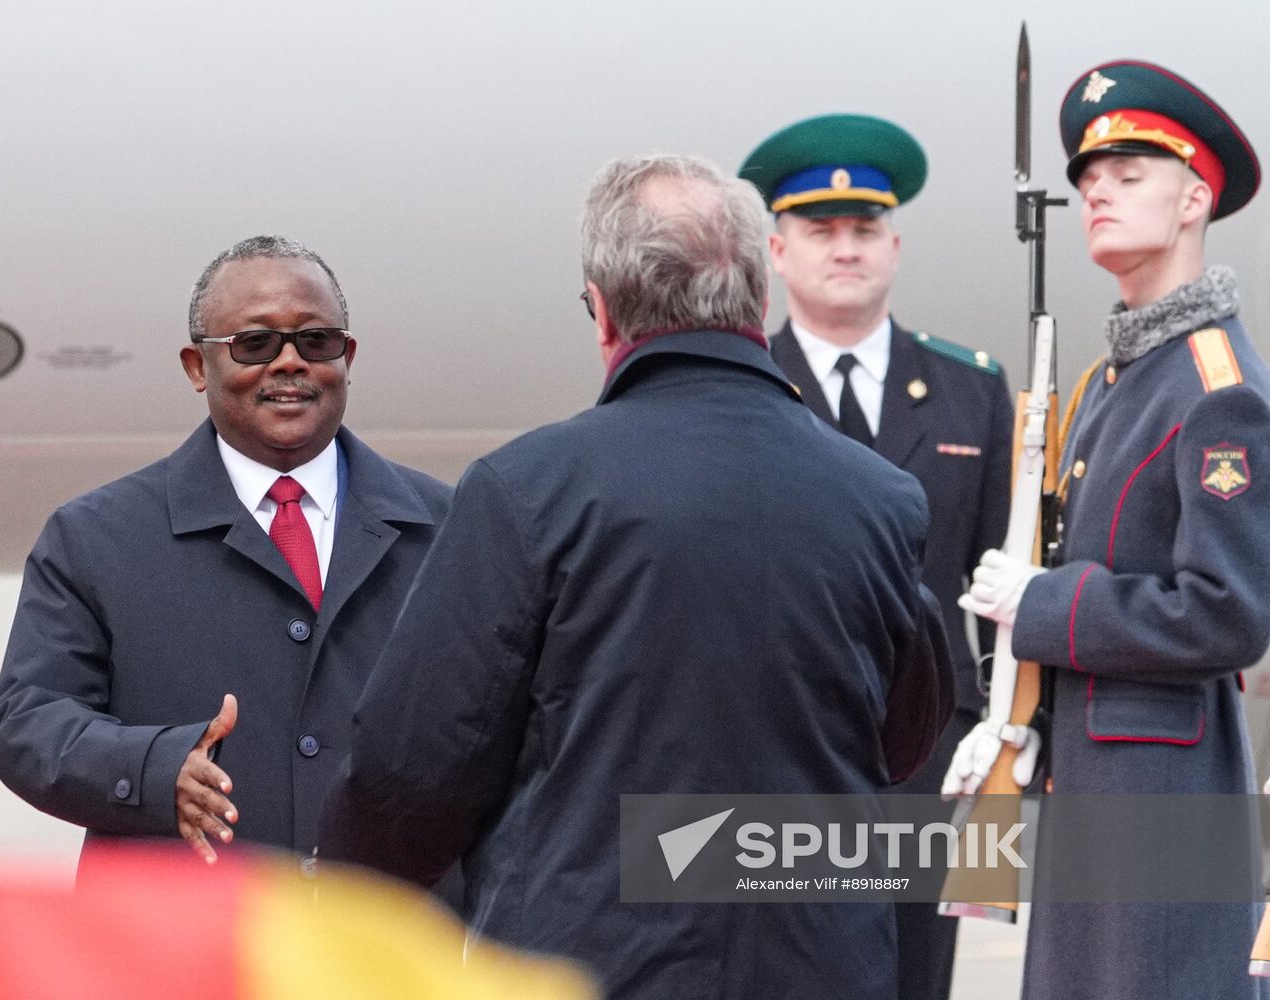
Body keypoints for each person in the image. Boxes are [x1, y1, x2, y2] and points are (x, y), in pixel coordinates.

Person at [317, 154, 953, 999]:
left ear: (603, 311)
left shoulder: (527, 489)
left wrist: (346, 907)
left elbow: (414, 767)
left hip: (589, 970)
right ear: (758, 302)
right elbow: (906, 736)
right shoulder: (881, 499)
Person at [945, 61, 1270, 1000]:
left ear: (1192, 200)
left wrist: (1047, 604)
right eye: (1091, 180)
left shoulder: (1217, 389)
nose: (1097, 193)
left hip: (1161, 798)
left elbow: (1228, 615)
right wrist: (1022, 720)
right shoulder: (1113, 380)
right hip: (1096, 782)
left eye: (1129, 177)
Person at [0, 235, 453, 871]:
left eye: (315, 341)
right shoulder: (95, 537)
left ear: (347, 356)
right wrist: (152, 770)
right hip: (177, 952)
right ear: (197, 366)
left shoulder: (449, 527)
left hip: (390, 950)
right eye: (254, 344)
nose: (289, 363)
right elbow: (25, 724)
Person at [739, 113, 1013, 1000]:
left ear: (893, 246)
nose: (845, 249)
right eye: (820, 231)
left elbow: (995, 575)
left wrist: (1000, 734)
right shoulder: (737, 389)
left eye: (864, 231)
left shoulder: (972, 389)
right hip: (776, 746)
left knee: (916, 976)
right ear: (776, 252)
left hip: (932, 750)